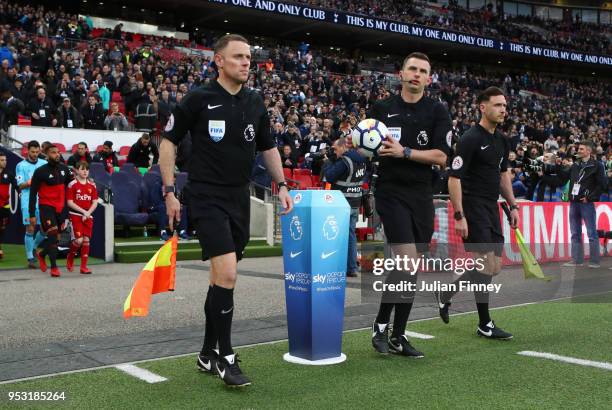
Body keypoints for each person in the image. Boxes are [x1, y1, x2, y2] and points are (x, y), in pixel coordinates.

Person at [159, 34, 292, 387]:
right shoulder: (199, 98)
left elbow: (268, 147)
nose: (246, 62)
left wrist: (281, 185)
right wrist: (170, 191)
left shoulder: (255, 102)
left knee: (221, 279)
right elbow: (168, 142)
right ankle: (225, 357)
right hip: (205, 195)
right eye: (238, 57)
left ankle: (205, 353)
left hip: (239, 197)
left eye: (249, 57)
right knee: (229, 274)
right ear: (219, 61)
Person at [368, 52, 451, 357]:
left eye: (423, 71)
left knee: (410, 268)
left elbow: (442, 157)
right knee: (407, 261)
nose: (416, 74)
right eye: (412, 69)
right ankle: (380, 326)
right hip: (390, 192)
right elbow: (370, 147)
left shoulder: (438, 111)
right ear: (401, 73)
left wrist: (405, 152)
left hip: (422, 196)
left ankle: (396, 335)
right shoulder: (382, 108)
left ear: (429, 79)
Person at [438, 86, 519, 340]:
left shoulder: (502, 140)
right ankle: (485, 323)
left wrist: (513, 205)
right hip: (473, 206)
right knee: (486, 264)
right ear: (483, 108)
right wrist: (459, 215)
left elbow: (503, 175)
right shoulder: (471, 138)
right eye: (498, 105)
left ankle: (447, 293)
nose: (503, 110)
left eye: (504, 105)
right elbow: (454, 178)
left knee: (493, 267)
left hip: (492, 206)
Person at [323, 137, 366, 277]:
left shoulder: (345, 161)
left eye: (335, 149)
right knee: (351, 236)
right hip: (355, 202)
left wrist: (328, 162)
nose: (334, 152)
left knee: (341, 237)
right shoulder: (362, 160)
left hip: (342, 203)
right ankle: (351, 265)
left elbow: (329, 176)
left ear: (343, 147)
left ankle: (350, 267)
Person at [29, 145, 73, 277]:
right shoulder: (40, 171)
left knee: (57, 238)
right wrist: (32, 214)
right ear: (47, 155)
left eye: (58, 152)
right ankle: (54, 267)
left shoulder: (65, 169)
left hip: (61, 208)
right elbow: (32, 194)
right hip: (46, 207)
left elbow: (72, 186)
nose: (57, 155)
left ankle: (42, 254)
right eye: (53, 153)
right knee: (52, 235)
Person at [563, 140, 606, 268]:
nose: (578, 151)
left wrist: (590, 197)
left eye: (581, 149)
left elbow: (601, 185)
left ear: (588, 151)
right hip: (574, 203)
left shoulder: (598, 165)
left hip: (586, 203)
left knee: (591, 232)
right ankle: (577, 260)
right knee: (575, 232)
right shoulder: (576, 165)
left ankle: (594, 261)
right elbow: (563, 178)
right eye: (579, 149)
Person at [16, 141, 47, 268]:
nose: (35, 154)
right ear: (27, 151)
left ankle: (34, 246)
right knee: (30, 228)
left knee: (45, 229)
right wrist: (30, 182)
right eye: (32, 152)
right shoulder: (20, 165)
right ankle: (30, 257)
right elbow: (20, 185)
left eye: (37, 152)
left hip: (43, 200)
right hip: (27, 200)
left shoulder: (44, 164)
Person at [66, 161, 98, 274]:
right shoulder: (72, 184)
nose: (85, 171)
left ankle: (83, 267)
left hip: (88, 216)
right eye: (82, 169)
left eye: (87, 169)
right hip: (76, 215)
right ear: (77, 170)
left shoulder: (92, 185)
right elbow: (69, 202)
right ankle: (70, 256)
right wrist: (84, 212)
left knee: (86, 240)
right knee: (78, 240)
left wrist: (88, 213)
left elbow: (95, 202)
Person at [0, 151, 18, 259]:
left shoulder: (9, 173)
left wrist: (21, 193)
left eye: (5, 160)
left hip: (5, 206)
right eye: (2, 160)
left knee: (2, 228)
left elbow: (17, 186)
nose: (4, 162)